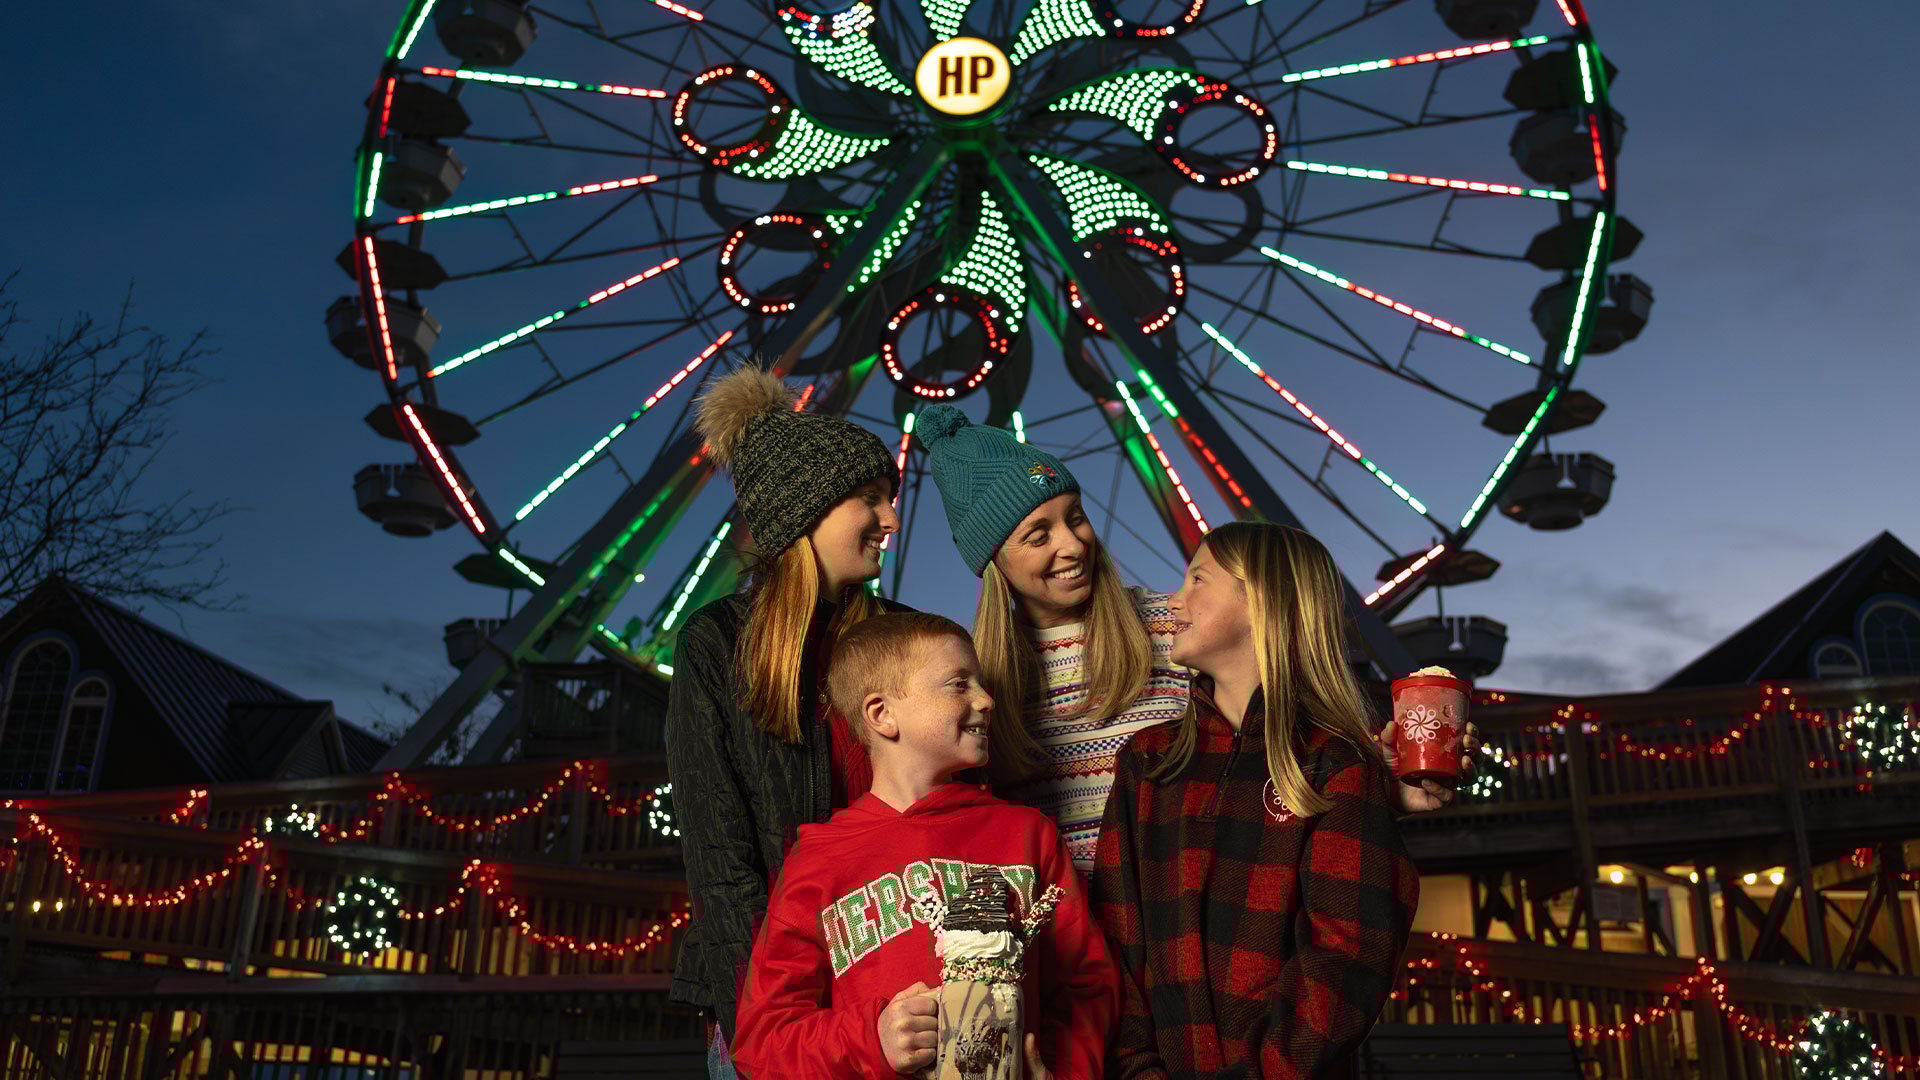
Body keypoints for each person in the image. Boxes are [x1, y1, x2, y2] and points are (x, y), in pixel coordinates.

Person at [913, 405, 1468, 876]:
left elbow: (1271, 747)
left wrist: (1381, 792)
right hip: (1064, 946)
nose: (1073, 545)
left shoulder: (1176, 627)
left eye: (1075, 518)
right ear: (993, 562)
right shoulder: (979, 677)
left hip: (1186, 919)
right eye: (1039, 535)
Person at [1091, 522, 1419, 1078]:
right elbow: (1116, 941)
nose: (1173, 599)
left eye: (1198, 578)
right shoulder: (1146, 761)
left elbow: (1348, 956)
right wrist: (1136, 1070)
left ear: (1262, 600)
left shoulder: (1332, 762)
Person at [731, 613, 1119, 1080]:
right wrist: (871, 1038)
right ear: (882, 715)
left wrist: (1061, 1073)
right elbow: (762, 1043)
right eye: (959, 684)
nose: (986, 698)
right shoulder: (818, 858)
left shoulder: (1028, 836)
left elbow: (1087, 988)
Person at [666, 366, 908, 1078]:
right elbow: (721, 860)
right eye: (870, 499)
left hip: (893, 996)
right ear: (806, 511)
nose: (891, 520)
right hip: (774, 1000)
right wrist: (768, 1029)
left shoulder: (906, 640)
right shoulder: (716, 644)